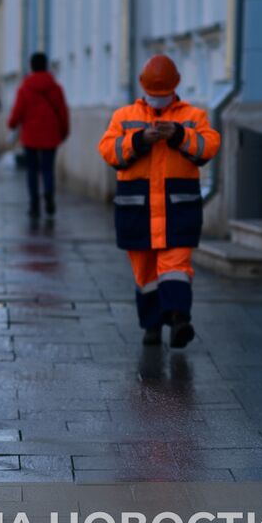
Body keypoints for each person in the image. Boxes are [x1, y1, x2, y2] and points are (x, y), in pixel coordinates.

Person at [98, 55, 219, 348]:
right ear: (142, 88)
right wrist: (140, 140)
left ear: (176, 88)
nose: (158, 101)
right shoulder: (124, 116)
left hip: (177, 208)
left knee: (175, 266)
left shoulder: (193, 116)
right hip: (138, 209)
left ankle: (179, 320)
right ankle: (151, 327)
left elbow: (208, 146)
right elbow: (109, 150)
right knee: (145, 273)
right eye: (154, 96)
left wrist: (178, 135)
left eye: (163, 96)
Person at [7, 52, 70, 219]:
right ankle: (49, 194)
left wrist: (12, 124)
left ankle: (34, 205)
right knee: (48, 169)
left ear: (32, 66)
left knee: (32, 171)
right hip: (51, 134)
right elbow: (63, 112)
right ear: (46, 66)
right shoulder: (55, 88)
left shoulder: (25, 88)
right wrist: (63, 131)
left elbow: (18, 111)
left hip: (31, 136)